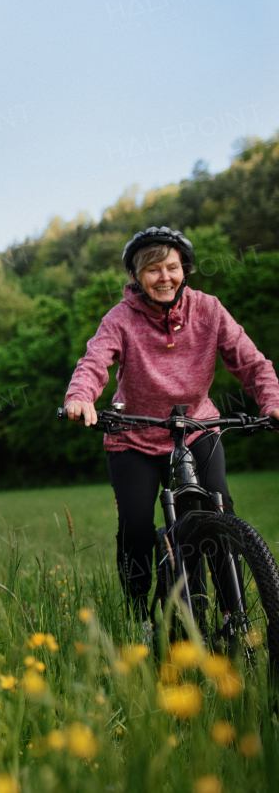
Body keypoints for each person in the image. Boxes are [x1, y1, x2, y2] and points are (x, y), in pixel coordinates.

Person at [63, 226, 279, 620]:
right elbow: (94, 361)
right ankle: (138, 615)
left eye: (172, 268)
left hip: (197, 428)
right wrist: (81, 397)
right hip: (135, 438)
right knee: (137, 526)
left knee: (221, 511)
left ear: (185, 270)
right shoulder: (120, 319)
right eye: (152, 270)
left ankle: (235, 617)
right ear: (135, 277)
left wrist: (273, 401)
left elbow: (251, 362)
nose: (164, 277)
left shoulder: (209, 310)